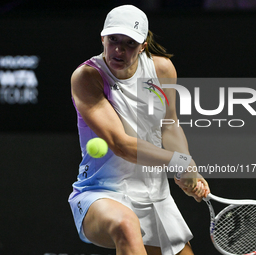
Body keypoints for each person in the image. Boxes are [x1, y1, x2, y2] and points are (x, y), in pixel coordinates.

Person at [69, 5, 210, 255]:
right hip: (101, 193)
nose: (119, 50)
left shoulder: (162, 70)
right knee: (125, 224)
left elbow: (170, 125)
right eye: (113, 40)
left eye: (130, 43)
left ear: (143, 44)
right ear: (103, 38)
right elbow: (121, 144)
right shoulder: (87, 77)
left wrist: (189, 169)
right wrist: (179, 162)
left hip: (155, 194)